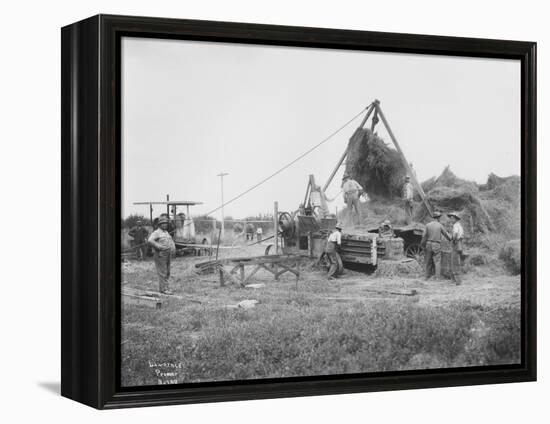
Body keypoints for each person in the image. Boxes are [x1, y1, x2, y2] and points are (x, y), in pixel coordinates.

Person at [147, 216, 176, 294]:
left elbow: (171, 241)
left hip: (168, 254)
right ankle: (163, 289)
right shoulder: (156, 232)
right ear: (159, 225)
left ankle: (166, 287)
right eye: (163, 224)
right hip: (160, 254)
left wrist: (173, 248)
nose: (165, 225)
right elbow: (150, 240)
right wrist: (159, 246)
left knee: (167, 272)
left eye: (166, 224)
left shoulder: (166, 232)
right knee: (162, 272)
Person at [420, 211, 450, 281]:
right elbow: (446, 234)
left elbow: (424, 236)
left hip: (428, 244)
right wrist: (451, 239)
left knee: (428, 261)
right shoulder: (439, 225)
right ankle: (437, 278)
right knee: (437, 261)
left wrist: (422, 244)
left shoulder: (428, 225)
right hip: (436, 244)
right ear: (439, 218)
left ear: (433, 217)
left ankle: (426, 277)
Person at [448, 212, 465, 285]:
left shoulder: (455, 226)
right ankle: (457, 280)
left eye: (452, 218)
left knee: (454, 262)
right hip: (459, 244)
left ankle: (457, 281)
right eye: (450, 218)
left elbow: (455, 234)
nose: (451, 220)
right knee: (457, 261)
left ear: (455, 219)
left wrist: (453, 240)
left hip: (456, 244)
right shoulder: (459, 226)